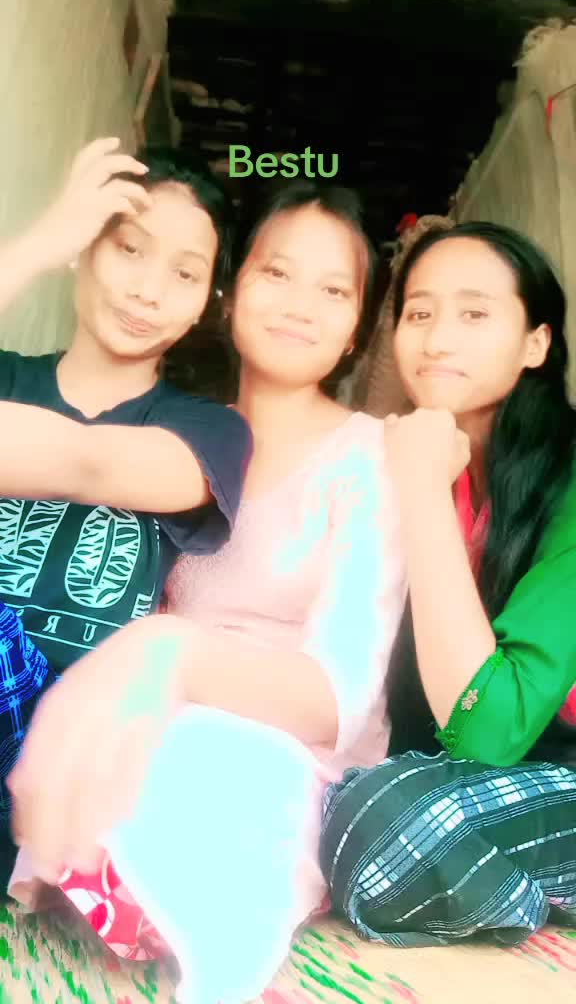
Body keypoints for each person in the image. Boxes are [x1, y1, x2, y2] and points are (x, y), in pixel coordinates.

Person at [7, 182, 407, 1002]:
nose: (299, 305)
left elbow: (342, 702)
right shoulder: (184, 434)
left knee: (202, 775)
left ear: (358, 329)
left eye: (334, 291)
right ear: (229, 292)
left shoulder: (372, 457)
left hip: (284, 755)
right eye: (277, 273)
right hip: (141, 713)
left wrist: (170, 652)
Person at [0, 137, 251, 885]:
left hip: (66, 733)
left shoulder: (211, 431)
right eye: (128, 249)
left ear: (207, 304)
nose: (148, 291)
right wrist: (43, 241)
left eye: (184, 273)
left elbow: (87, 462)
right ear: (85, 250)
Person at [319, 221, 576, 948]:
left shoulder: (555, 477)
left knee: (389, 827)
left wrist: (424, 491)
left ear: (536, 343)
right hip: (496, 777)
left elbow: (490, 729)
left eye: (474, 314)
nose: (437, 340)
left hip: (532, 766)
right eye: (420, 313)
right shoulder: (412, 457)